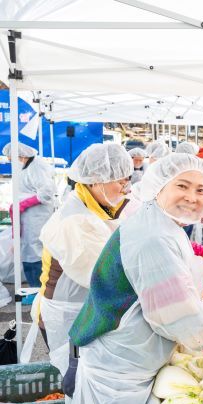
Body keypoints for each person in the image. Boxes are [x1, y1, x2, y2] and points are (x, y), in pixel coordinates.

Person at [65, 154, 203, 404]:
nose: (192, 197)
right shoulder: (153, 236)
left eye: (201, 190)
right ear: (160, 186)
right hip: (119, 367)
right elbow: (179, 314)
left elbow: (182, 293)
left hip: (128, 356)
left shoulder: (163, 223)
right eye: (182, 186)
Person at [37, 143, 132, 379]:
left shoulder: (94, 206)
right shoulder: (75, 221)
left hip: (85, 310)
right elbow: (102, 276)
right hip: (68, 315)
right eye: (120, 181)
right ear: (96, 180)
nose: (125, 188)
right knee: (77, 381)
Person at [2, 142, 57, 288]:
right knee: (27, 250)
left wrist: (23, 204)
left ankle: (38, 290)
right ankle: (35, 288)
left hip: (37, 216)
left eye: (11, 158)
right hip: (28, 215)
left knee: (34, 251)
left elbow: (46, 192)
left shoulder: (37, 166)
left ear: (21, 155)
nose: (10, 161)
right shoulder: (27, 166)